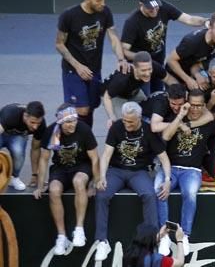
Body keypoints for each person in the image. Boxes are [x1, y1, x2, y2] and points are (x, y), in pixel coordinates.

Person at [94, 102, 171, 261]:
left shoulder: (148, 129)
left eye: (131, 122)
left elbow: (164, 158)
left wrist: (168, 179)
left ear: (139, 119)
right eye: (124, 121)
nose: (127, 124)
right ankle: (102, 241)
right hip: (116, 170)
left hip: (139, 171)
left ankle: (155, 238)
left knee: (150, 195)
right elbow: (107, 154)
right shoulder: (116, 127)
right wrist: (102, 176)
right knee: (102, 194)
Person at [56, 0, 125, 128]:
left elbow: (113, 37)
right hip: (73, 69)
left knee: (91, 107)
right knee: (81, 109)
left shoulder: (105, 12)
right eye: (98, 0)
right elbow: (59, 44)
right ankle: (68, 139)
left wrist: (120, 58)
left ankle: (85, 142)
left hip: (94, 69)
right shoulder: (69, 15)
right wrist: (78, 66)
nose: (102, 3)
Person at [156, 89, 215, 254]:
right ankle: (164, 236)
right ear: (186, 104)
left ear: (204, 106)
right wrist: (180, 119)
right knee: (160, 190)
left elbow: (214, 116)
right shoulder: (173, 118)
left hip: (191, 170)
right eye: (193, 105)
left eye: (199, 106)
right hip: (170, 167)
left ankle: (184, 235)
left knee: (190, 194)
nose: (196, 109)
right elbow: (166, 136)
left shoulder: (207, 122)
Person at [33, 105, 98, 255]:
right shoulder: (51, 132)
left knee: (78, 182)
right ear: (61, 123)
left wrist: (94, 182)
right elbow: (44, 159)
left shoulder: (84, 129)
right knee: (54, 190)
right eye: (68, 122)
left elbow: (95, 158)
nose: (72, 124)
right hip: (60, 168)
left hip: (82, 165)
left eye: (74, 120)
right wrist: (40, 184)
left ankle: (79, 229)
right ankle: (61, 236)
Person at [120, 0, 207, 93]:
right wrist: (142, 58)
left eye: (156, 6)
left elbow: (188, 19)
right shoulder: (132, 22)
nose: (155, 10)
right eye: (150, 8)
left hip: (158, 62)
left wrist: (206, 22)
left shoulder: (163, 7)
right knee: (145, 97)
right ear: (141, 5)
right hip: (142, 68)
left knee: (159, 93)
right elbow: (124, 50)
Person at [165, 11, 215, 91]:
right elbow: (171, 60)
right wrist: (188, 80)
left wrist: (197, 75)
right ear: (209, 26)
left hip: (194, 70)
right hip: (176, 73)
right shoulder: (192, 42)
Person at [102, 51, 158, 128]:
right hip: (115, 96)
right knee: (122, 122)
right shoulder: (122, 80)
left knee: (150, 110)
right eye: (143, 70)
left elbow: (168, 78)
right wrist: (112, 116)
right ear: (135, 68)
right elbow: (107, 97)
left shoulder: (153, 67)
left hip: (133, 92)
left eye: (149, 69)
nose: (147, 73)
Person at [0, 101, 45, 190]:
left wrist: (35, 174)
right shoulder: (10, 114)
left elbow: (35, 149)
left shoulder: (41, 126)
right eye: (32, 122)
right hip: (2, 132)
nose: (35, 127)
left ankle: (14, 178)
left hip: (18, 135)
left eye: (38, 123)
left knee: (18, 152)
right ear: (25, 116)